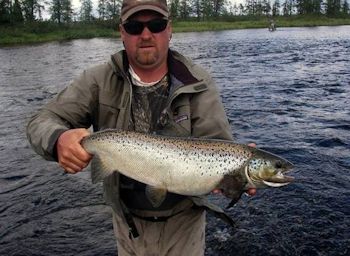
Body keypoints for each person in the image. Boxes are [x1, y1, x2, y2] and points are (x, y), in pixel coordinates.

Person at [27, 0, 255, 255]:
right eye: (135, 26)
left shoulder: (198, 82)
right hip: (127, 223)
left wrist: (234, 176)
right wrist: (58, 140)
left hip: (184, 224)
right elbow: (41, 121)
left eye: (155, 25)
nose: (146, 35)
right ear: (122, 32)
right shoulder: (97, 81)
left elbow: (217, 144)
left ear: (169, 29)